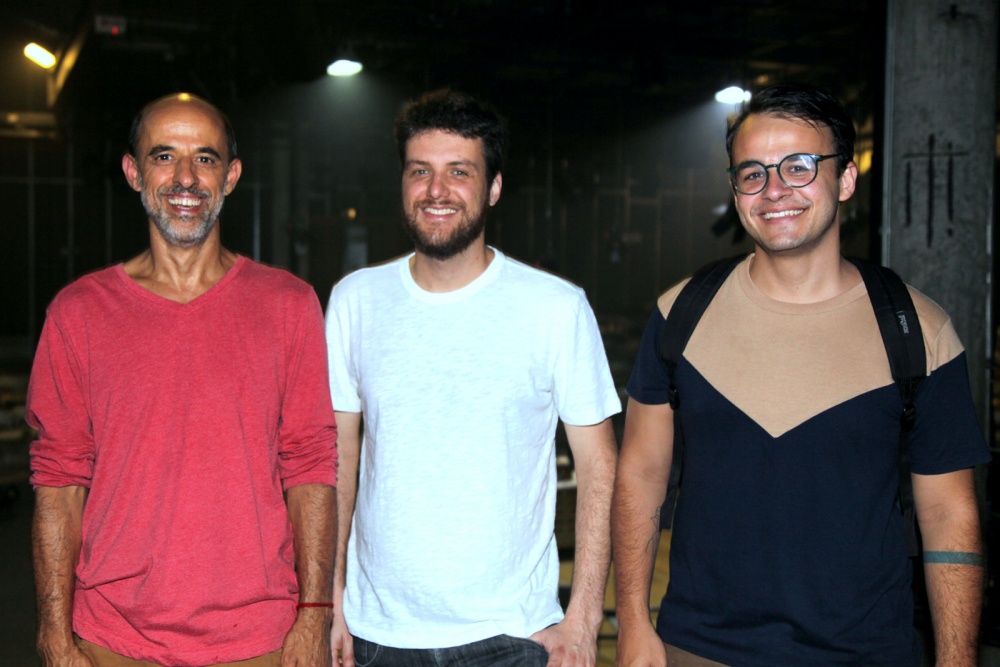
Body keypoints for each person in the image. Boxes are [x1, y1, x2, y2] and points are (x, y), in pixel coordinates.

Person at [612, 84, 989, 666]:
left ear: (845, 179)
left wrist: (957, 660)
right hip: (699, 650)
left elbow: (948, 514)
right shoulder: (681, 314)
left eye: (799, 166)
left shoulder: (919, 332)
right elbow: (641, 474)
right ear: (735, 191)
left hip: (865, 654)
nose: (774, 190)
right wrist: (634, 623)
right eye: (753, 173)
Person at [27, 93, 338, 667]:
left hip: (260, 642)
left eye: (206, 158)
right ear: (133, 172)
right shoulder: (79, 313)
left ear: (231, 176)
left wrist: (315, 615)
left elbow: (311, 467)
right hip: (112, 641)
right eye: (165, 156)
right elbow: (58, 482)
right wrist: (53, 636)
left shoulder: (289, 306)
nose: (186, 178)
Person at [325, 89, 621, 667]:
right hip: (377, 634)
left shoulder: (555, 307)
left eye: (459, 172)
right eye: (420, 171)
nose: (436, 190)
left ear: (494, 187)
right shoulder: (355, 301)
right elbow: (338, 456)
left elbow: (599, 465)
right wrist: (329, 601)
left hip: (511, 635)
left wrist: (585, 618)